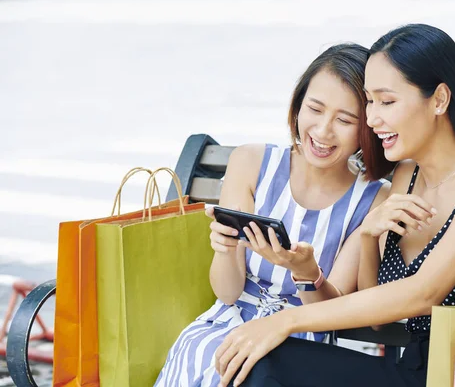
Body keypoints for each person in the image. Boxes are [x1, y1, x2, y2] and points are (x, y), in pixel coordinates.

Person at [213, 23, 455, 387]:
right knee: (265, 362)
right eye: (369, 101)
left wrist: (286, 319)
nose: (372, 118)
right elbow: (379, 319)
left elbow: (423, 293)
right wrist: (367, 236)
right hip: (417, 370)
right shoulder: (407, 176)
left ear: (440, 100)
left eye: (387, 101)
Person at [154, 43, 389, 387]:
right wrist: (224, 248)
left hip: (300, 343)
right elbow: (228, 293)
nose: (323, 131)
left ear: (365, 128)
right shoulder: (250, 162)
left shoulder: (372, 198)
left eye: (344, 120)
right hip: (225, 324)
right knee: (206, 354)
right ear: (298, 106)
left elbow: (332, 314)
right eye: (315, 109)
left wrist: (306, 273)